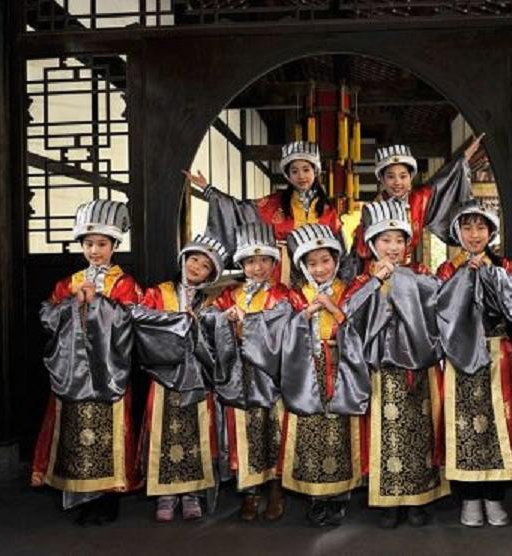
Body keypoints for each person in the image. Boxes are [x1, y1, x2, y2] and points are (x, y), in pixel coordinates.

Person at [242, 223, 369, 526]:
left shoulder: (349, 290)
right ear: (302, 265)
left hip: (341, 366)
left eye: (326, 261)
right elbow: (279, 332)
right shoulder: (295, 296)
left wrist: (336, 312)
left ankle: (339, 497)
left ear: (336, 261)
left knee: (339, 428)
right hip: (306, 369)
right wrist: (304, 316)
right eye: (312, 263)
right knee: (310, 429)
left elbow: (362, 327)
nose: (321, 268)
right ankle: (315, 496)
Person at [31, 199, 141, 525]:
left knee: (110, 430)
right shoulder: (69, 282)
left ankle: (108, 498)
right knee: (75, 431)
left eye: (102, 244)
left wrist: (98, 305)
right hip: (73, 370)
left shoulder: (125, 283)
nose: (95, 250)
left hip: (108, 369)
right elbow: (47, 317)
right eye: (89, 244)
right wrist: (72, 303)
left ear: (115, 246)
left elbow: (130, 320)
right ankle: (78, 493)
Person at [340, 200, 449, 529]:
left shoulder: (422, 275)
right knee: (386, 437)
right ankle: (389, 501)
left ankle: (418, 498)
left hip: (419, 368)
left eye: (399, 240)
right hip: (382, 372)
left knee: (420, 435)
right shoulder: (362, 281)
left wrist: (402, 281)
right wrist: (376, 283)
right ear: (372, 244)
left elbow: (441, 307)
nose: (393, 247)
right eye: (385, 240)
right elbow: (348, 315)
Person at [436, 200, 512, 527]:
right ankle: (469, 498)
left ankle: (495, 497)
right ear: (457, 232)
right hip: (460, 357)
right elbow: (439, 308)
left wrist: (493, 274)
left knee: (500, 423)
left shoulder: (504, 264)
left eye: (481, 227)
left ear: (491, 231)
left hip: (497, 350)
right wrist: (463, 280)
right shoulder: (447, 269)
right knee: (464, 425)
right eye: (467, 227)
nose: (474, 234)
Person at [134, 234, 228, 521]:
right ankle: (165, 493)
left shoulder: (211, 301)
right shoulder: (158, 292)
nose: (196, 266)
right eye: (194, 259)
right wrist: (178, 322)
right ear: (183, 259)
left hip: (197, 374)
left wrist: (202, 323)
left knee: (196, 431)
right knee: (162, 431)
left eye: (204, 266)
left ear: (210, 276)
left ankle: (192, 493)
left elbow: (217, 338)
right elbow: (140, 318)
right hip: (163, 373)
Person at [212, 223, 293, 522]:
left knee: (274, 429)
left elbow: (284, 327)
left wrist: (248, 325)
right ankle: (250, 491)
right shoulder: (229, 294)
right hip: (240, 374)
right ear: (242, 265)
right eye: (250, 261)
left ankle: (275, 488)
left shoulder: (284, 294)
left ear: (274, 263)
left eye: (263, 261)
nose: (257, 267)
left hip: (272, 374)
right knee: (245, 431)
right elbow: (212, 320)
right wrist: (226, 320)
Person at [185, 141, 346, 284]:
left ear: (315, 172)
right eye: (295, 171)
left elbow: (340, 251)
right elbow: (239, 210)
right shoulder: (273, 203)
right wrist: (208, 190)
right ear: (288, 176)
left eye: (306, 170)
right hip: (280, 270)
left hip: (316, 270)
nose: (301, 176)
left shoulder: (328, 210)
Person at [352, 134, 485, 267]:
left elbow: (443, 181)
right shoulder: (374, 210)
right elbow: (362, 251)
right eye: (391, 177)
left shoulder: (418, 200)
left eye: (403, 176)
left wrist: (463, 158)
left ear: (411, 177)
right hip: (379, 269)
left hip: (408, 270)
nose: (397, 182)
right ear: (382, 179)